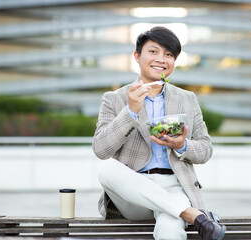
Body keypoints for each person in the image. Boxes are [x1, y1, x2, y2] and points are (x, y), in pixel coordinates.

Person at [93, 26, 226, 240]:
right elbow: (100, 149)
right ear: (137, 56)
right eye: (153, 52)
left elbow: (205, 150)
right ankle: (193, 214)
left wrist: (181, 145)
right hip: (133, 193)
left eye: (168, 54)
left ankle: (185, 213)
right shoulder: (115, 98)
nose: (161, 59)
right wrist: (130, 111)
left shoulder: (187, 99)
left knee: (170, 226)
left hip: (175, 185)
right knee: (107, 169)